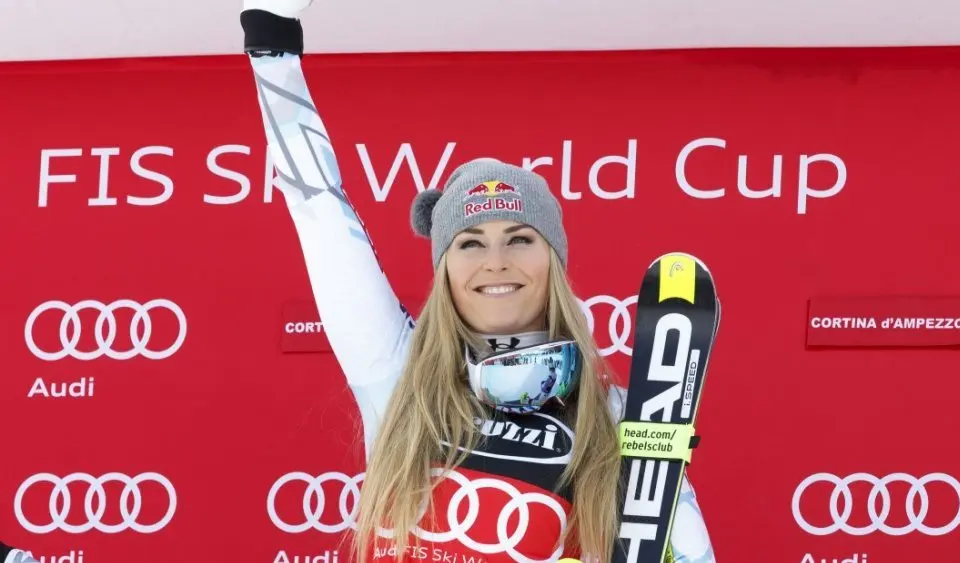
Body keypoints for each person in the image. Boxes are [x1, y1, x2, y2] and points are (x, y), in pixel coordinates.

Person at [240, 1, 717, 561]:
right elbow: (316, 204)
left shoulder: (608, 412)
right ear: (444, 272)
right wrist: (272, 47)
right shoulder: (398, 372)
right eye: (468, 244)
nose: (495, 261)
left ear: (553, 263)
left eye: (520, 238)